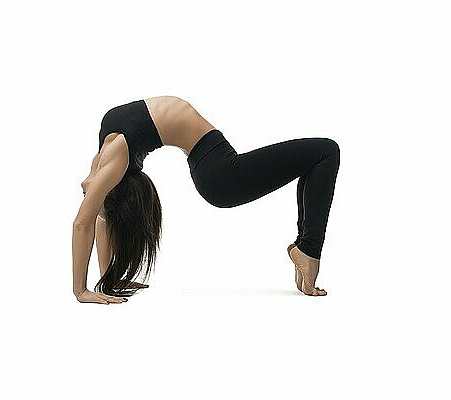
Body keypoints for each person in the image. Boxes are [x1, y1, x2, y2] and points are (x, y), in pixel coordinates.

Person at [72, 96, 340, 304]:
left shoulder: (109, 159)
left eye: (92, 197)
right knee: (326, 152)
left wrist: (108, 280)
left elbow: (97, 219)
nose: (86, 195)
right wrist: (81, 290)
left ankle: (306, 249)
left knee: (321, 154)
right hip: (220, 176)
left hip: (215, 165)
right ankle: (309, 250)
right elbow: (86, 223)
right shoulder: (112, 158)